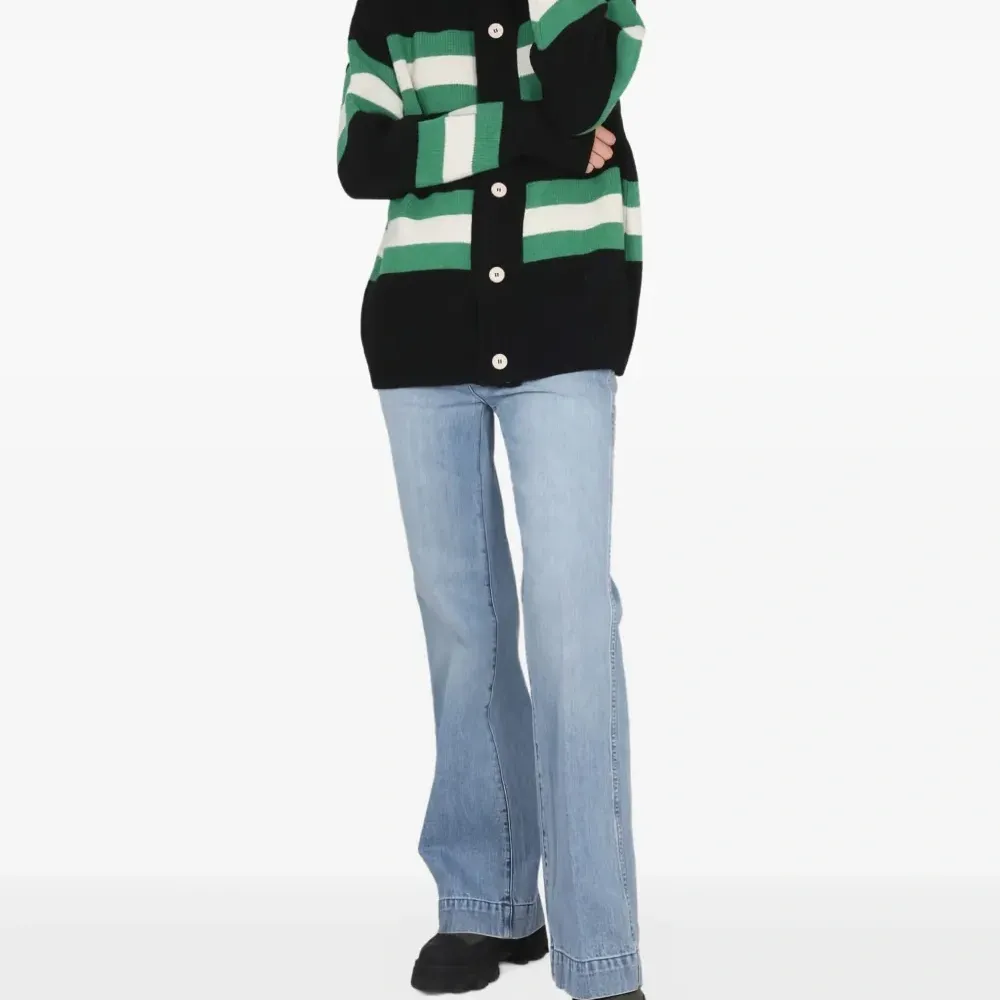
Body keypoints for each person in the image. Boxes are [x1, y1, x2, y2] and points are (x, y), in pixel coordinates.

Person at [336, 2, 646, 998]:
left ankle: (600, 949)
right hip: (422, 332)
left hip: (563, 324)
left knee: (569, 621)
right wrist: (527, 136)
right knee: (461, 625)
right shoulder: (389, 8)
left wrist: (468, 137)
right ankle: (486, 902)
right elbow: (364, 158)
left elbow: (579, 90)